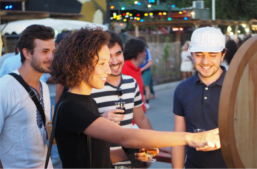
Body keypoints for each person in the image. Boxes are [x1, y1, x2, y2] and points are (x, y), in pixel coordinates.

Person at [50, 27, 221, 168]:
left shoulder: (87, 101)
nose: (108, 69)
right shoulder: (71, 107)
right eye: (102, 63)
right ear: (80, 65)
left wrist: (141, 152)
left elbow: (97, 159)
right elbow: (125, 137)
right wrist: (191, 138)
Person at [91, 31, 154, 168]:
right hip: (104, 163)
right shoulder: (90, 87)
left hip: (132, 162)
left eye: (118, 54)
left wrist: (152, 148)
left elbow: (141, 120)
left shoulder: (131, 82)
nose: (114, 61)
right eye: (108, 57)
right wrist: (101, 119)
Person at [0, 24, 55, 168]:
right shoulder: (4, 88)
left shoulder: (44, 87)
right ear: (27, 53)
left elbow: (44, 130)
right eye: (44, 51)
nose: (51, 57)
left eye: (53, 51)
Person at [172, 27, 227, 168]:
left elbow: (254, 132)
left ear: (223, 54)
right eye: (199, 54)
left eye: (212, 54)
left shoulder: (239, 87)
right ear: (191, 54)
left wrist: (226, 140)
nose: (205, 61)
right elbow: (178, 139)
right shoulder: (182, 89)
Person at [122, 38, 147, 113]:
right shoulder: (124, 70)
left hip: (139, 118)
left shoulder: (137, 69)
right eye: (144, 51)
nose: (146, 54)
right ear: (139, 53)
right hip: (131, 121)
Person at [137, 36, 153, 109]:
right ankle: (142, 102)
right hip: (138, 70)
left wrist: (142, 69)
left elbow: (150, 63)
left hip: (145, 70)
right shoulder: (137, 51)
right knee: (140, 87)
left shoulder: (147, 50)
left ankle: (147, 102)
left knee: (146, 87)